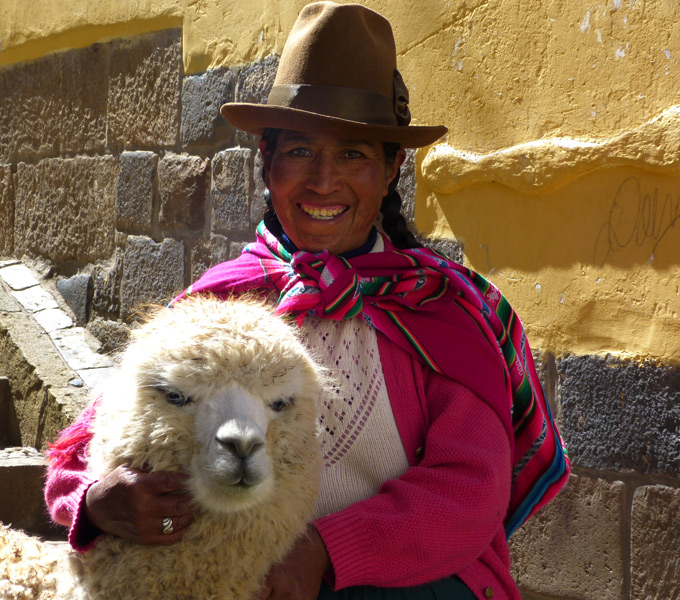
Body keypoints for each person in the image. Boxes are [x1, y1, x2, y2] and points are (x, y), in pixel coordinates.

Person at [44, 3, 570, 600]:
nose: (323, 180)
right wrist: (96, 500)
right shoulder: (218, 307)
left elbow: (470, 491)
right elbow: (86, 444)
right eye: (299, 152)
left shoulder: (439, 312)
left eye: (353, 154)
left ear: (391, 168)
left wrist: (326, 550)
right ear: (266, 162)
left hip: (415, 583)